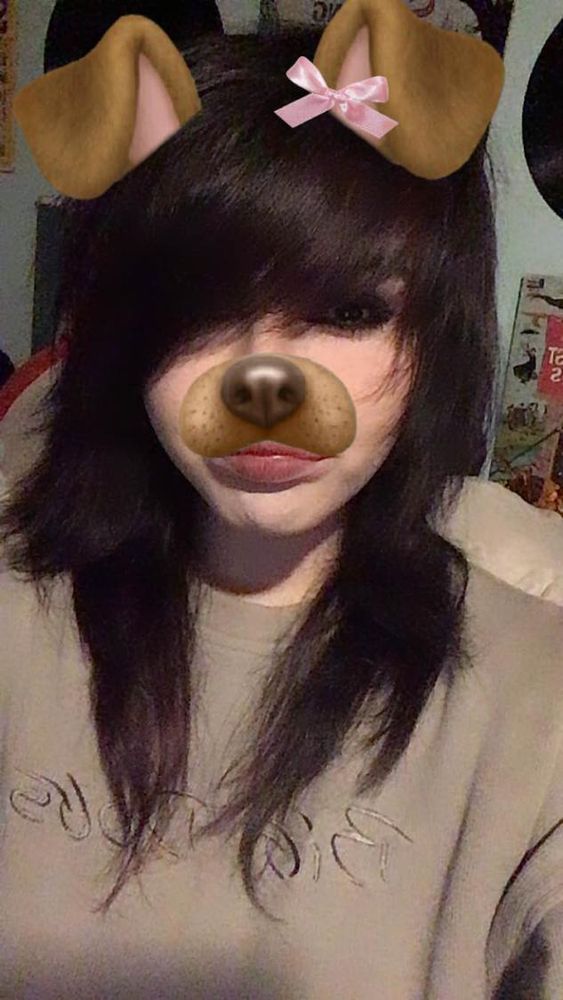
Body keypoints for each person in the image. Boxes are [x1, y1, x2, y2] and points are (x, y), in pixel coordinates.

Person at [1, 9, 563, 1000]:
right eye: (197, 312)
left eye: (347, 310)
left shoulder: (535, 697)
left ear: (432, 336)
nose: (263, 383)